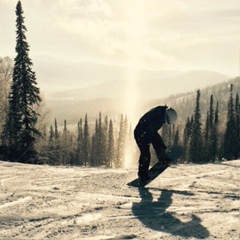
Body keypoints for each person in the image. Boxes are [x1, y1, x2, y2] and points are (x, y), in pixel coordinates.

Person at [134, 106, 177, 182]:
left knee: (157, 143)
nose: (166, 122)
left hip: (148, 131)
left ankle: (162, 158)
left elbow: (153, 133)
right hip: (140, 133)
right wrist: (161, 146)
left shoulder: (160, 114)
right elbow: (149, 128)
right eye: (168, 120)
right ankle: (142, 175)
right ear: (166, 115)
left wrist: (162, 147)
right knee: (145, 154)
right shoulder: (157, 115)